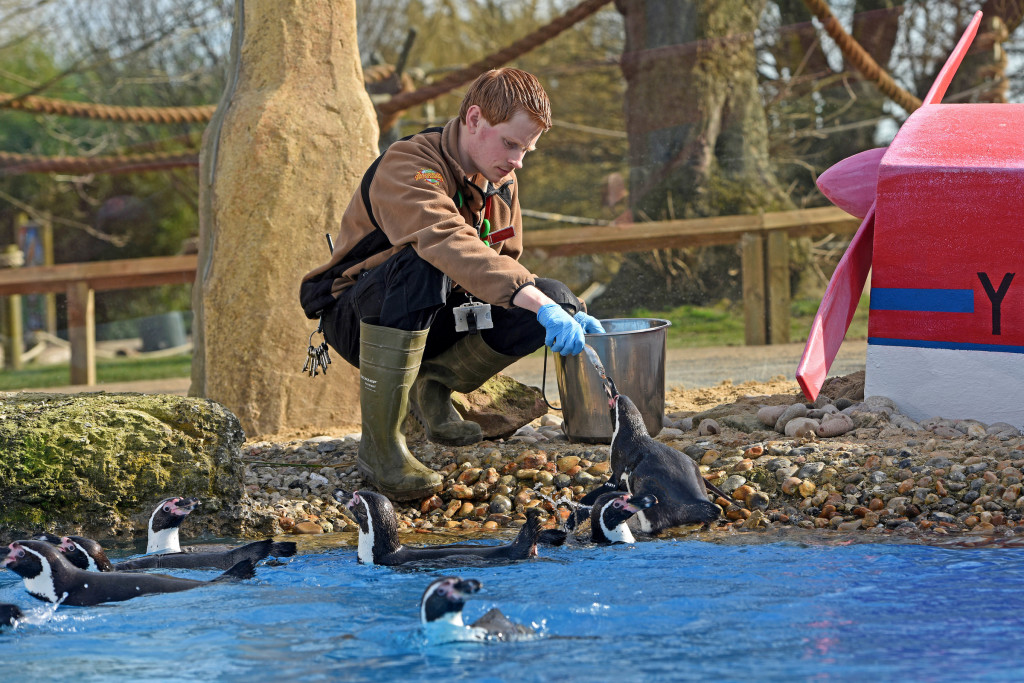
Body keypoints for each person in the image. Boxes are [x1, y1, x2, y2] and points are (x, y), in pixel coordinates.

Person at [301, 67, 603, 502]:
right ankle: (381, 447)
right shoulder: (408, 163)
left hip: (442, 314)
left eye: (528, 149)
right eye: (511, 143)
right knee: (426, 262)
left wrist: (555, 307)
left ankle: (434, 385)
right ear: (475, 119)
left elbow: (502, 266)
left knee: (554, 298)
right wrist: (531, 297)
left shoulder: (501, 180)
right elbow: (445, 241)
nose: (518, 160)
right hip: (361, 320)